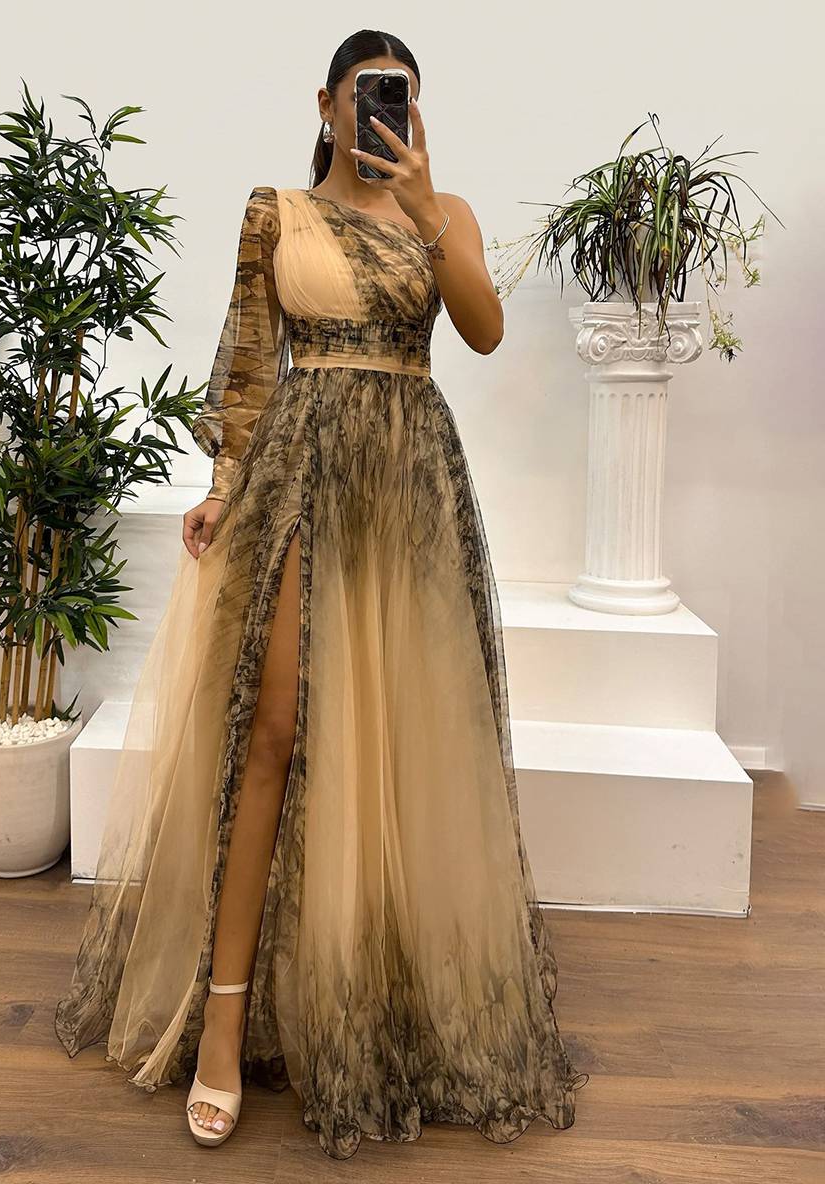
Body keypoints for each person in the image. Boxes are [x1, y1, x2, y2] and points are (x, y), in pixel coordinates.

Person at [54, 27, 589, 1162]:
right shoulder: (278, 214)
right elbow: (251, 362)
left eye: (398, 95)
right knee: (277, 727)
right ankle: (223, 1016)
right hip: (303, 474)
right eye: (363, 93)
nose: (378, 111)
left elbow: (485, 331)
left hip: (406, 485)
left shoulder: (446, 214)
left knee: (395, 740)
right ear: (326, 102)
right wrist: (221, 484)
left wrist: (429, 204)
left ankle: (370, 997)